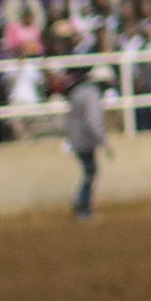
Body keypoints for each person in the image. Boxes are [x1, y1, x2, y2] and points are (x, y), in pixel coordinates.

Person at [63, 65, 109, 219]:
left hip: (75, 138)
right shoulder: (92, 94)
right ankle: (83, 206)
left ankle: (81, 202)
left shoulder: (79, 91)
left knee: (89, 170)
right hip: (84, 140)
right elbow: (93, 120)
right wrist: (104, 142)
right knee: (90, 171)